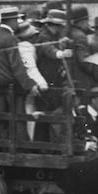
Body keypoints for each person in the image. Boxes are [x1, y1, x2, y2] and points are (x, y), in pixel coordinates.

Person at [0, 12, 39, 142]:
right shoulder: (10, 38)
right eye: (16, 20)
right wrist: (29, 84)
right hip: (11, 87)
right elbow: (16, 65)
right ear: (12, 21)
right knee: (18, 120)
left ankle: (6, 149)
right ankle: (23, 150)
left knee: (3, 121)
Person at [34, 9, 72, 141]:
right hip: (45, 81)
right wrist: (60, 54)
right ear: (55, 26)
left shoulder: (54, 37)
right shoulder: (44, 36)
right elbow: (48, 49)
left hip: (51, 81)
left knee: (48, 114)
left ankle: (46, 145)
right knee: (44, 115)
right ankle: (42, 146)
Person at [66, 6, 98, 102]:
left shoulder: (71, 33)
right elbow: (86, 63)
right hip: (82, 83)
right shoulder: (81, 37)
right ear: (83, 21)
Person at [16, 21, 49, 140]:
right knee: (29, 112)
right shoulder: (26, 47)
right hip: (29, 85)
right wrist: (42, 83)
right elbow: (31, 68)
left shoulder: (19, 46)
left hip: (22, 85)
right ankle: (31, 141)